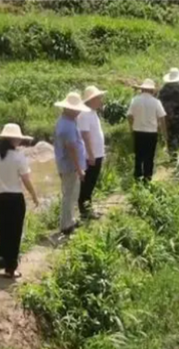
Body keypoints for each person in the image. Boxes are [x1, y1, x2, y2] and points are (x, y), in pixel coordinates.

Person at [0, 124, 39, 279]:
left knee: (1, 229)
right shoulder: (19, 157)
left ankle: (1, 257)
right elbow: (26, 180)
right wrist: (34, 196)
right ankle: (11, 268)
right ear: (15, 139)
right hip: (14, 199)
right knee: (14, 233)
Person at [53, 92, 90, 236]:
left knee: (73, 193)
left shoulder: (68, 121)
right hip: (70, 166)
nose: (79, 111)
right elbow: (71, 149)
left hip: (69, 165)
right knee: (69, 195)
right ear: (69, 109)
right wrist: (79, 169)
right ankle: (66, 226)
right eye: (77, 109)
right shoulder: (67, 126)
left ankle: (70, 220)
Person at [127, 79, 167, 181]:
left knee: (139, 154)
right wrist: (164, 133)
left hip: (138, 131)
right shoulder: (156, 102)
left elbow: (130, 116)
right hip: (151, 132)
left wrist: (132, 127)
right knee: (149, 155)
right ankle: (147, 176)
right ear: (152, 90)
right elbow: (162, 118)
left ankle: (137, 174)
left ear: (142, 89)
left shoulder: (135, 100)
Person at [77, 86, 107, 220]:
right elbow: (85, 135)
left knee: (92, 182)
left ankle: (88, 208)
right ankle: (85, 211)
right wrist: (91, 154)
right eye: (99, 98)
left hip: (96, 153)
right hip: (91, 155)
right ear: (91, 100)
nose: (101, 101)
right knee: (87, 183)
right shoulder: (84, 114)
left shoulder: (92, 112)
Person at [159, 68, 179, 159]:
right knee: (177, 133)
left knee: (168, 133)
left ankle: (170, 151)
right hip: (177, 115)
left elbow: (159, 102)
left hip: (165, 115)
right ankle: (174, 154)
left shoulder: (163, 90)